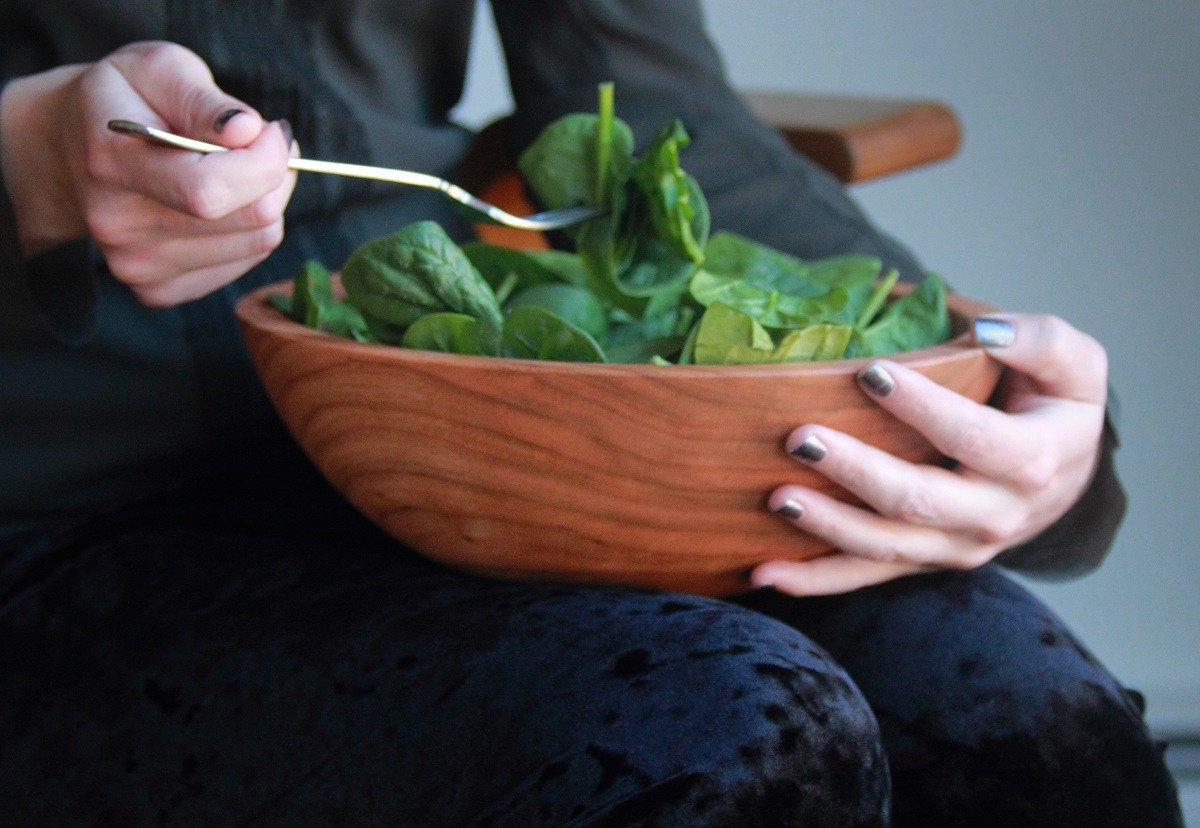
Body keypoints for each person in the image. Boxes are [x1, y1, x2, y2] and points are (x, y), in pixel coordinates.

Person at [0, 1, 1183, 824]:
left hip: (455, 453)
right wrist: (28, 163)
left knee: (1025, 716)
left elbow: (660, 113)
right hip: (53, 499)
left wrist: (989, 396)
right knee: (725, 733)